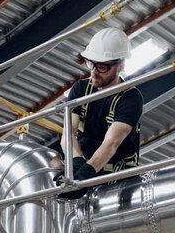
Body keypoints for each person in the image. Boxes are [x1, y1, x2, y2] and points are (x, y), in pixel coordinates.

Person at [60, 27, 143, 199]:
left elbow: (112, 142)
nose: (94, 72)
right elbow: (69, 132)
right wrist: (76, 163)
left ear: (120, 65)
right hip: (84, 163)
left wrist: (87, 174)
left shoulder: (130, 98)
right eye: (91, 64)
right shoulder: (81, 89)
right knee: (52, 161)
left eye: (102, 66)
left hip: (117, 179)